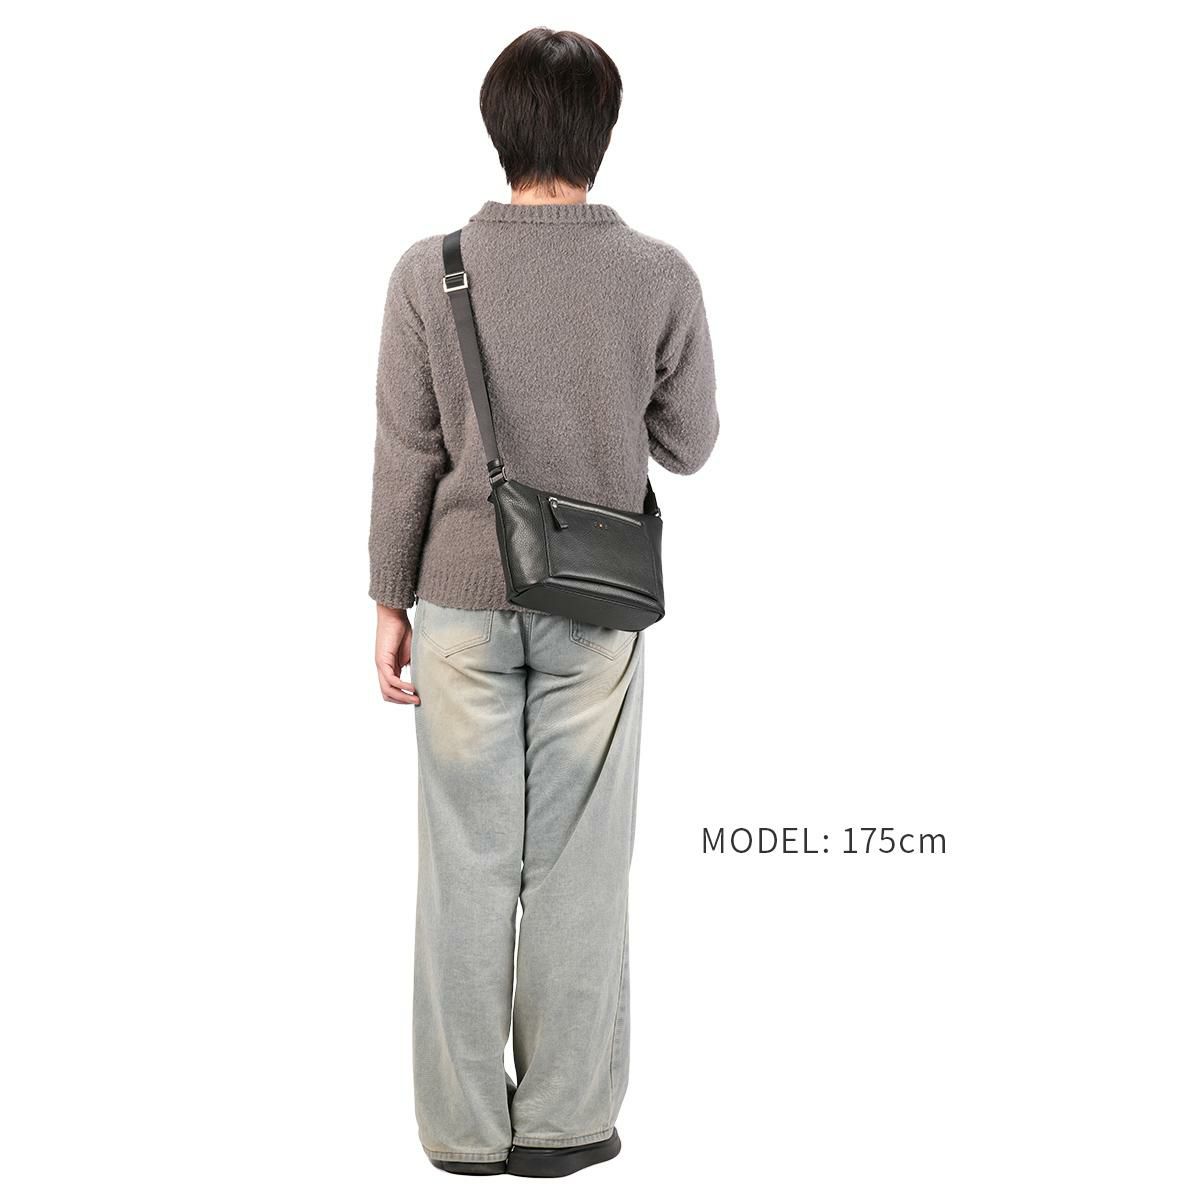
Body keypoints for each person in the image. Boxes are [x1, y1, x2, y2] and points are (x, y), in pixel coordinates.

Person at [368, 27, 718, 1178]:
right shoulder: (659, 275)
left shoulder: (429, 270)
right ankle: (565, 1123)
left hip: (458, 602)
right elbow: (692, 444)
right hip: (600, 607)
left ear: (499, 128)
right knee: (578, 866)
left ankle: (463, 1135)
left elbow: (407, 454)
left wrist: (389, 597)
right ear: (602, 132)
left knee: (464, 867)